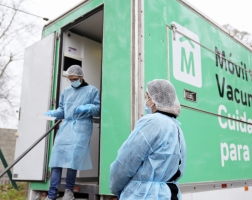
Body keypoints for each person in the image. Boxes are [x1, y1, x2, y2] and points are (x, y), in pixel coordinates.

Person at [110, 79, 187, 200]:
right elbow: (179, 169)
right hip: (170, 194)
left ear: (155, 100)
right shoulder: (176, 128)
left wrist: (115, 187)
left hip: (144, 195)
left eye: (147, 97)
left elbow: (126, 161)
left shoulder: (152, 122)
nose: (146, 102)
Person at [44, 65, 100, 200]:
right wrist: (53, 114)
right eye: (70, 79)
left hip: (81, 128)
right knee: (56, 161)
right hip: (66, 127)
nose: (72, 81)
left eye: (74, 79)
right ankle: (52, 194)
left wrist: (88, 108)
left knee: (72, 161)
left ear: (81, 77)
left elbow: (98, 108)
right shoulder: (66, 92)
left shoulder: (92, 90)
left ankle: (69, 191)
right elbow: (62, 110)